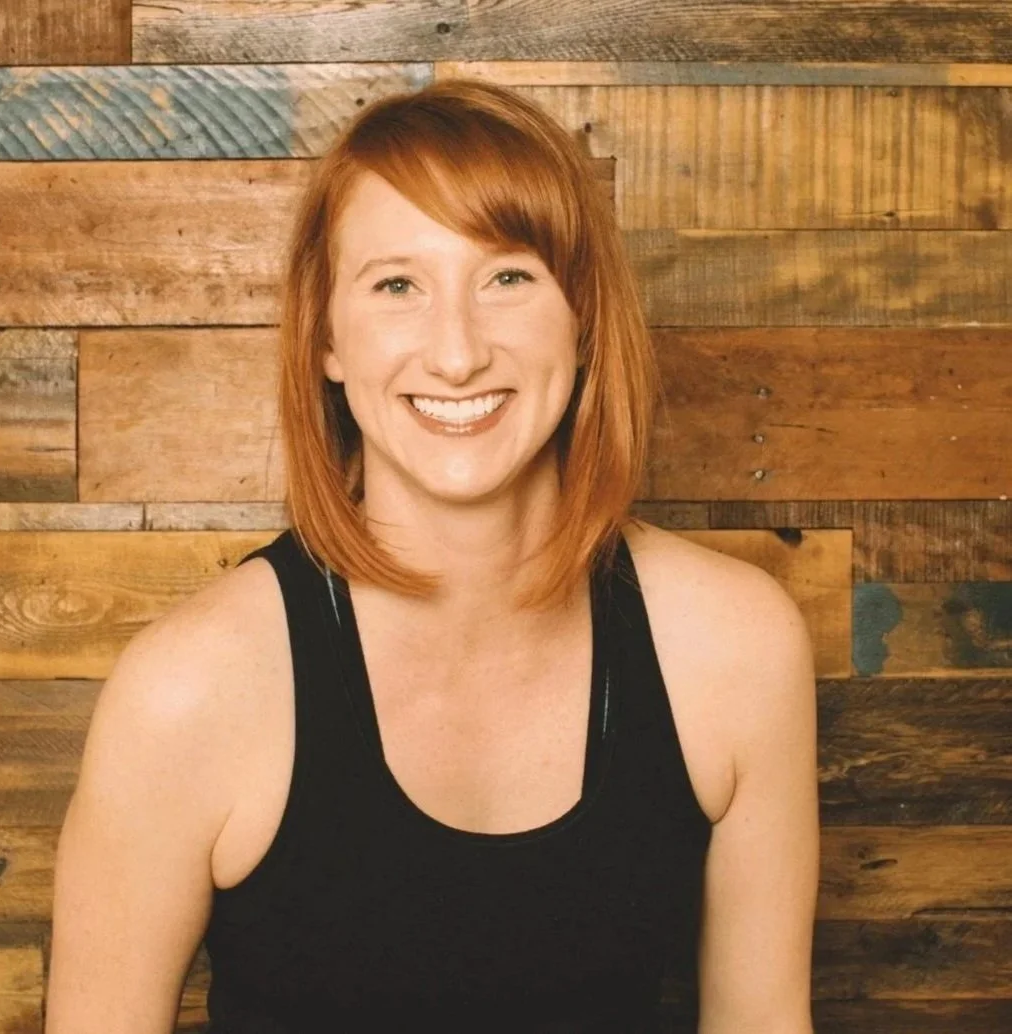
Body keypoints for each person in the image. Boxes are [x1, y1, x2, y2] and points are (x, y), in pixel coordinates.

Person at [45, 78, 820, 1033]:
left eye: (507, 276)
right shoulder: (189, 691)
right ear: (327, 335)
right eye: (397, 285)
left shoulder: (736, 648)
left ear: (580, 316)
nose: (456, 355)